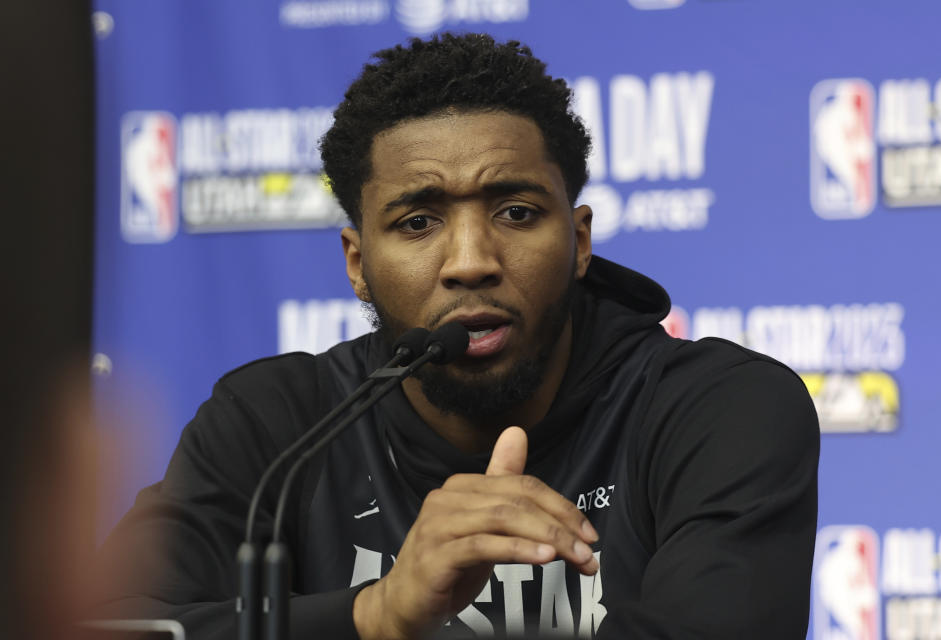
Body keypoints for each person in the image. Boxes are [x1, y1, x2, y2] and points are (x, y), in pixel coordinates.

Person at [94, 33, 819, 639]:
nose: (471, 261)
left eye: (516, 212)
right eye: (418, 221)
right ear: (357, 263)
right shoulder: (278, 427)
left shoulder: (717, 409)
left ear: (579, 240)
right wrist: (376, 614)